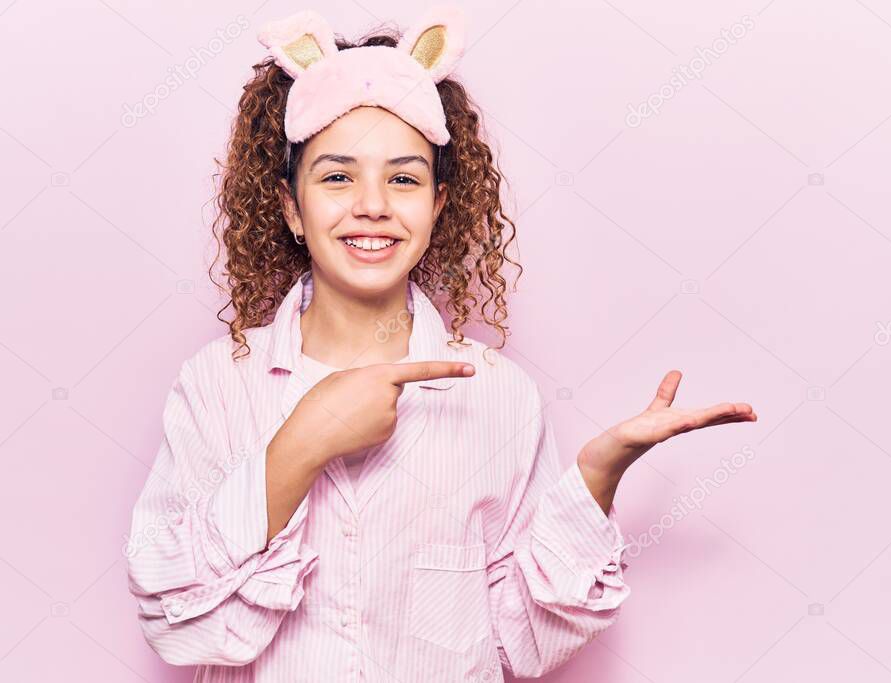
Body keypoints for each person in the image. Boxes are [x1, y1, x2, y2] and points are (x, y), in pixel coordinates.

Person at [124, 6, 757, 681]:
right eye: (338, 176)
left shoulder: (497, 394)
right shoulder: (219, 382)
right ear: (290, 207)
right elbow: (174, 617)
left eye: (403, 178)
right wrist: (303, 441)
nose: (373, 204)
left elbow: (524, 640)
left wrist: (597, 479)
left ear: (438, 204)